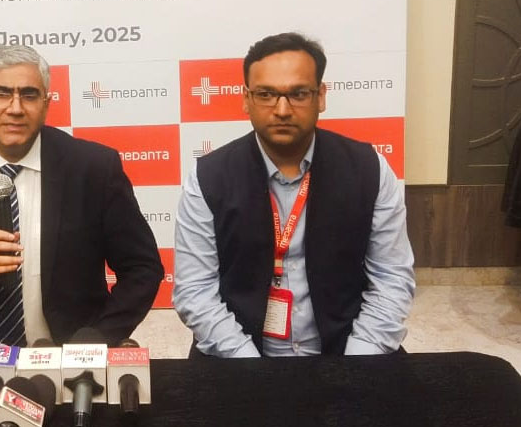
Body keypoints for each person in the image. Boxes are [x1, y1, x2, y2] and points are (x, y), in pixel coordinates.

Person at [173, 32, 415, 357]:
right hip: (238, 356)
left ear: (321, 96)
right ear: (246, 99)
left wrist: (355, 365)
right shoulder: (208, 178)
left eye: (299, 94)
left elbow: (391, 278)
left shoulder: (370, 169)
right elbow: (195, 291)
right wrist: (250, 367)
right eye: (266, 94)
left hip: (347, 351)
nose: (283, 109)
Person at [0, 44, 163, 345]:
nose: (15, 108)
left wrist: (97, 338)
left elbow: (143, 269)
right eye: (2, 93)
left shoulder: (93, 168)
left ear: (46, 103)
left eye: (29, 95)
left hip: (69, 356)